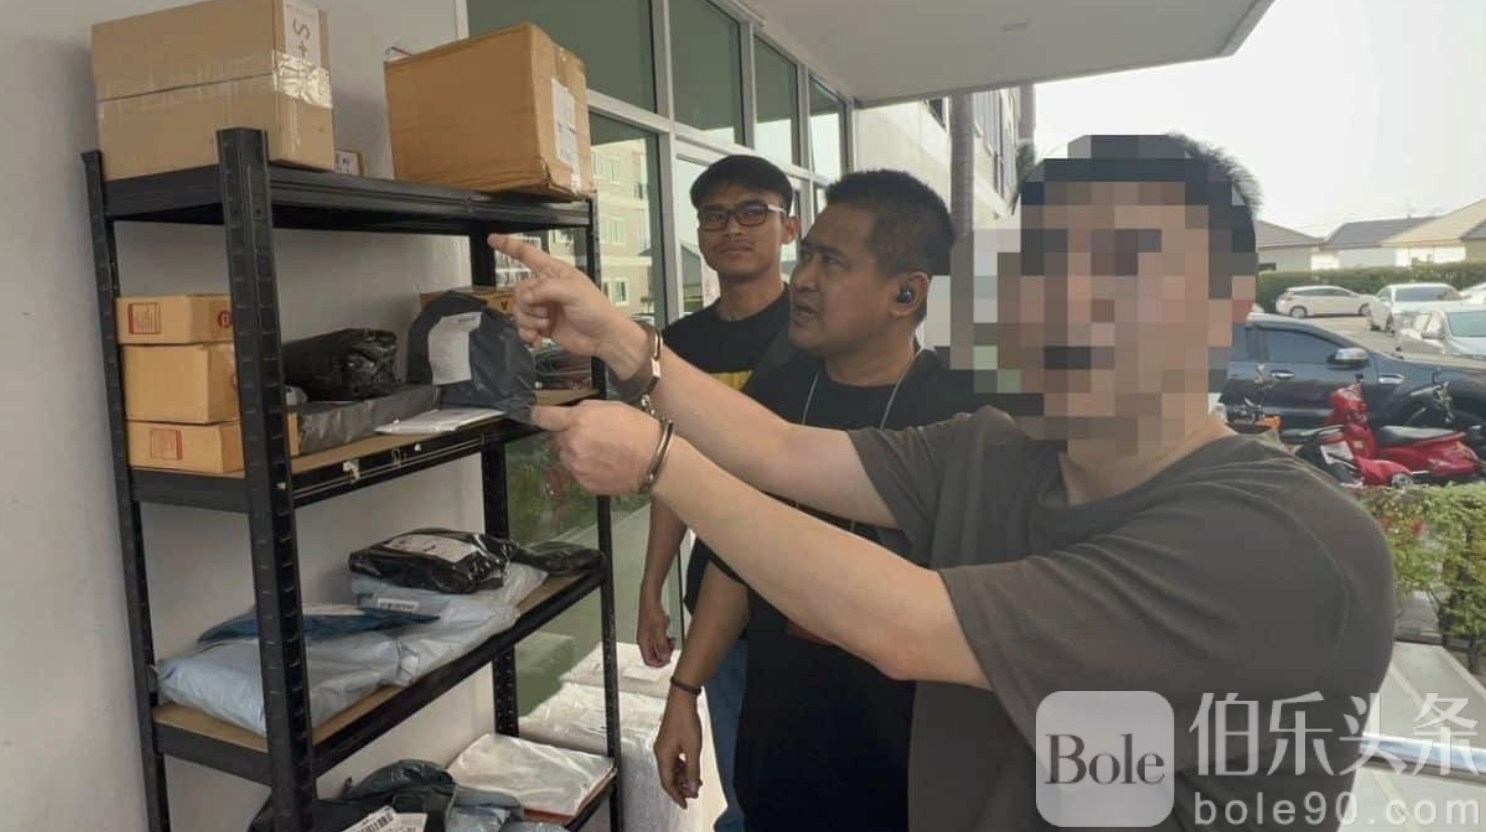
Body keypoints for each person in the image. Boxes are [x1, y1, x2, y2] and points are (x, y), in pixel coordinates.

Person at [493, 134, 1394, 831]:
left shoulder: (1281, 546)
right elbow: (780, 451)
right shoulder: (997, 450)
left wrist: (660, 462)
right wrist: (617, 338)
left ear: (1222, 307)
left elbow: (907, 627)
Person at [656, 170, 978, 832]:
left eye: (831, 262)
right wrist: (684, 691)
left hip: (911, 777)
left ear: (907, 293)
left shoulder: (962, 419)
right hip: (782, 757)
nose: (802, 279)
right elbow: (735, 559)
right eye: (806, 257)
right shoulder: (774, 398)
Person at [636, 154, 798, 832]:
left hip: (816, 593)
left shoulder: (815, 333)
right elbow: (673, 472)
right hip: (720, 593)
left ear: (788, 227)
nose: (733, 228)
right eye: (714, 216)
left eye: (753, 211)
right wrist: (651, 586)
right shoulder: (679, 346)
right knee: (743, 774)